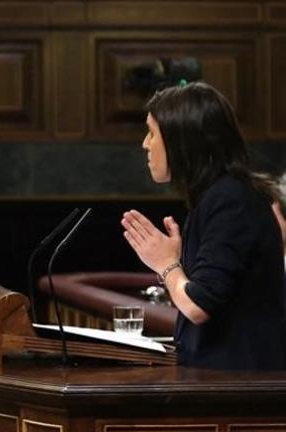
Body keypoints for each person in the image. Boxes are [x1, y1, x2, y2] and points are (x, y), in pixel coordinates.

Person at [120, 82, 286, 370]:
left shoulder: (231, 200)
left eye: (152, 133)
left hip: (242, 392)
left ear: (180, 140)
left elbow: (199, 306)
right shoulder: (219, 196)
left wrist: (167, 265)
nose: (145, 144)